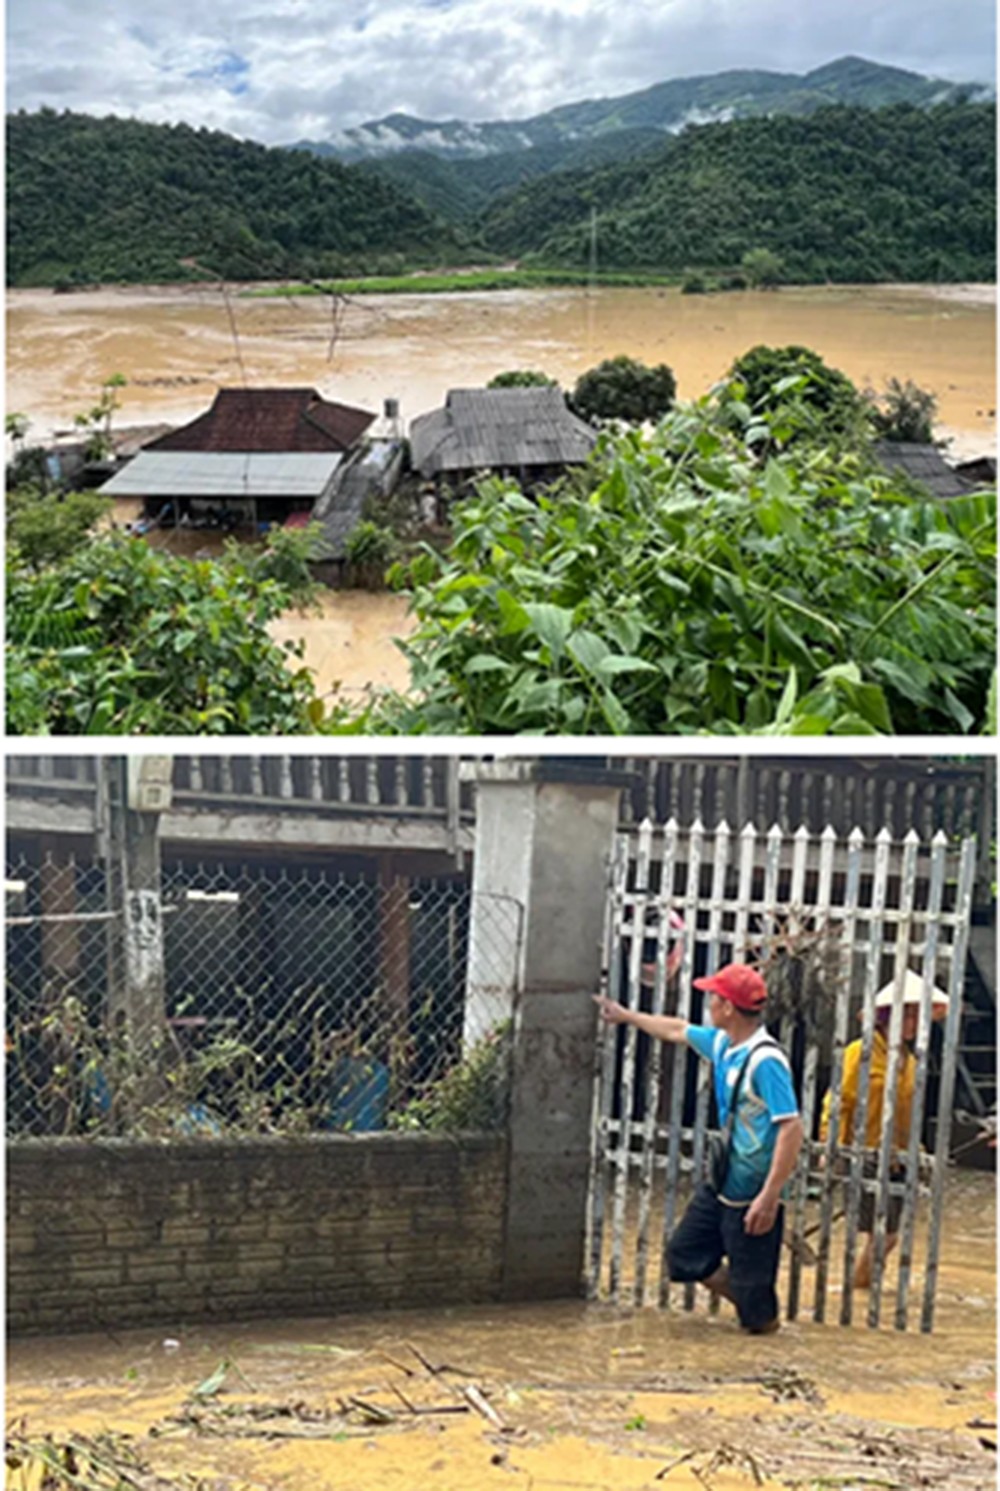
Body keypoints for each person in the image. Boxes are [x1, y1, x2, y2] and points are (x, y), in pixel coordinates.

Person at [594, 961, 802, 1334]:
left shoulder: (767, 1061)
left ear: (727, 1007)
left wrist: (770, 1196)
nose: (707, 1004)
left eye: (713, 998)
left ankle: (761, 1319)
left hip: (754, 1193)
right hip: (723, 1183)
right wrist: (626, 1015)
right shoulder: (725, 1043)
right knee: (684, 1255)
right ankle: (748, 1296)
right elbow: (676, 1030)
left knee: (758, 1322)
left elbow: (791, 1127)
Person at [818, 969, 949, 1289]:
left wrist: (917, 1154)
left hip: (896, 1157)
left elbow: (907, 1114)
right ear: (887, 1016)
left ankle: (860, 1285)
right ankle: (858, 1288)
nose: (914, 1023)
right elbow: (837, 1103)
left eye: (918, 1016)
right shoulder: (858, 1053)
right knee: (882, 1234)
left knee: (888, 1234)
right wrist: (830, 1144)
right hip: (863, 1153)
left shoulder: (911, 1060)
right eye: (908, 1015)